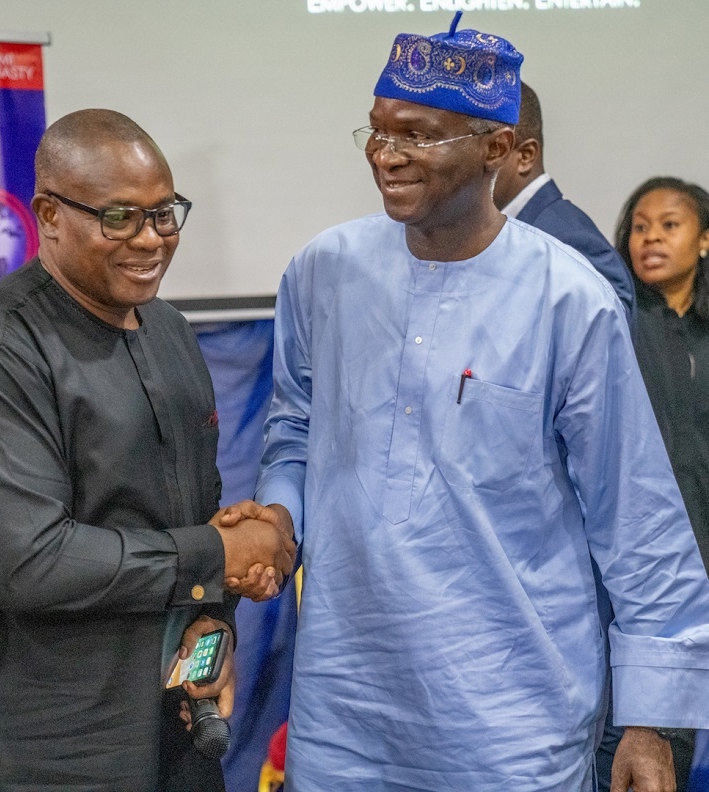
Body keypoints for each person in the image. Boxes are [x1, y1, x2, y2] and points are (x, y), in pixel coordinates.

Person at [254, 13, 709, 792]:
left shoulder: (571, 299)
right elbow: (294, 429)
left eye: (418, 135)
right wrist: (278, 516)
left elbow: (636, 519)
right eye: (376, 131)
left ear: (497, 148)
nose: (385, 155)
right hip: (344, 716)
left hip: (512, 725)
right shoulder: (321, 272)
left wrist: (650, 722)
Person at [0, 108, 295, 792]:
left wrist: (220, 609)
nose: (151, 239)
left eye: (165, 213)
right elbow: (32, 562)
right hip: (49, 742)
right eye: (120, 217)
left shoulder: (170, 330)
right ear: (49, 215)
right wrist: (217, 556)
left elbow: (196, 513)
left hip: (179, 720)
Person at [607, 176, 709, 790]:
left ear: (703, 241)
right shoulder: (614, 317)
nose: (650, 237)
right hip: (640, 562)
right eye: (640, 226)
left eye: (668, 225)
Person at [492, 81, 636, 325]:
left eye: (488, 149)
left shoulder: (570, 242)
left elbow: (606, 349)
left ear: (525, 155)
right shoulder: (488, 231)